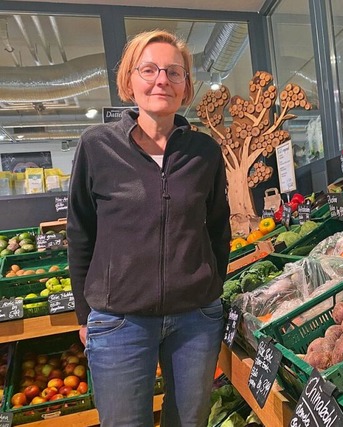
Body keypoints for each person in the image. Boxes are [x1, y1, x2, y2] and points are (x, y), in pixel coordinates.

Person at [67, 30, 231, 427]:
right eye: (150, 69)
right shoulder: (97, 147)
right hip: (119, 320)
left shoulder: (205, 152)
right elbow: (80, 232)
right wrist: (85, 315)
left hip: (195, 320)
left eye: (175, 72)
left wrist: (209, 289)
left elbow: (217, 230)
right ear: (130, 80)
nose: (162, 80)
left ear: (186, 86)